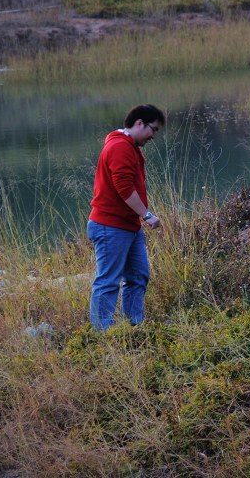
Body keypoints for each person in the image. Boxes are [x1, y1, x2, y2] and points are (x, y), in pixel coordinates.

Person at [87, 104, 165, 330]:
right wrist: (147, 215)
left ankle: (133, 326)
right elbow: (123, 187)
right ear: (139, 123)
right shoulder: (120, 147)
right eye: (153, 129)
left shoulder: (129, 146)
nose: (154, 136)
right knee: (108, 281)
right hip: (110, 226)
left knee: (138, 275)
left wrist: (139, 219)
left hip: (128, 227)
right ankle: (102, 333)